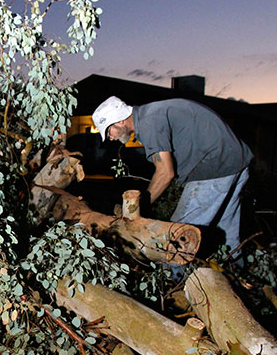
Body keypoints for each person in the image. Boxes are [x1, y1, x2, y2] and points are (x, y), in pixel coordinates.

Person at [91, 96, 253, 256]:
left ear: (120, 121)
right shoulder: (151, 114)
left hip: (215, 165)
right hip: (235, 160)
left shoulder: (149, 122)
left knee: (174, 238)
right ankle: (234, 274)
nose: (111, 138)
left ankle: (171, 279)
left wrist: (137, 208)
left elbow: (165, 173)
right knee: (226, 234)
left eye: (108, 131)